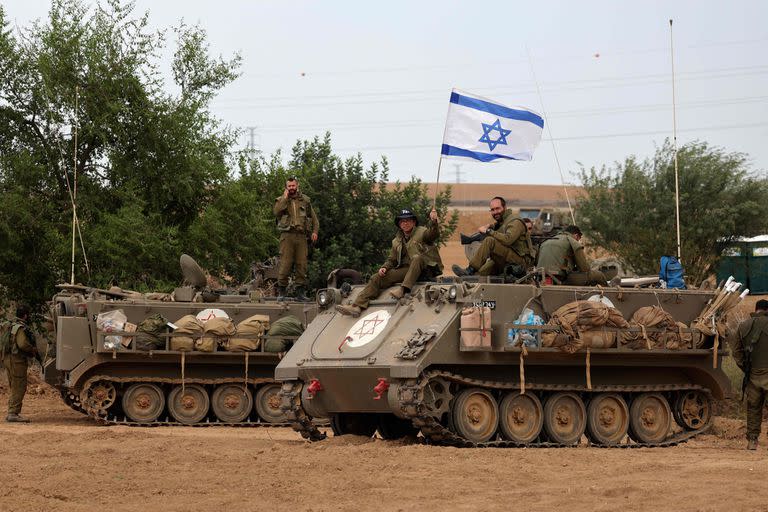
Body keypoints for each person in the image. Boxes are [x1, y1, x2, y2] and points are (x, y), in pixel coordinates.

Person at [336, 208, 443, 317]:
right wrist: (385, 268)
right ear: (399, 224)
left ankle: (403, 289)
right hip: (408, 270)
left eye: (408, 220)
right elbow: (392, 259)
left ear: (413, 222)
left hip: (425, 269)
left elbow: (433, 234)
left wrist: (433, 221)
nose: (405, 223)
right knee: (377, 277)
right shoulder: (396, 241)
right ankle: (357, 306)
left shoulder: (422, 232)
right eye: (402, 221)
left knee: (417, 258)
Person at [452, 196, 534, 276]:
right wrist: (491, 227)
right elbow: (501, 228)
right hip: (507, 258)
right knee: (479, 275)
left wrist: (488, 231)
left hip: (521, 262)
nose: (495, 212)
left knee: (489, 241)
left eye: (498, 208)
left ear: (505, 207)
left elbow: (508, 240)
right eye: (492, 210)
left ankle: (470, 269)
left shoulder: (515, 221)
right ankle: (470, 275)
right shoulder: (502, 222)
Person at [273, 177, 319, 301]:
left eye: (293, 186)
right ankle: (281, 292)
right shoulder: (281, 200)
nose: (292, 188)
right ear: (286, 187)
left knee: (301, 264)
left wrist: (315, 231)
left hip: (301, 236)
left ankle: (300, 293)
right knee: (285, 264)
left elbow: (314, 218)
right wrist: (285, 198)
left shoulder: (305, 200)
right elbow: (276, 212)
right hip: (287, 236)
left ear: (297, 185)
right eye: (289, 186)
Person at [731, 299, 768, 450]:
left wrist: (746, 368)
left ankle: (752, 441)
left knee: (753, 408)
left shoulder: (743, 326)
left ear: (756, 309)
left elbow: (736, 352)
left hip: (752, 375)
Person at [536, 225, 607, 286]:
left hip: (540, 277)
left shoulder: (546, 242)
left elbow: (536, 262)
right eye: (578, 239)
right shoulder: (572, 241)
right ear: (576, 236)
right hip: (561, 278)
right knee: (599, 275)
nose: (578, 241)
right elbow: (584, 269)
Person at [2, 305, 37, 423]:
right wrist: (32, 349)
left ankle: (11, 411)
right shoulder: (20, 328)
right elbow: (22, 344)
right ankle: (13, 413)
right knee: (19, 386)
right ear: (26, 315)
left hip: (7, 359)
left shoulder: (10, 324)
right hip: (17, 360)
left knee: (14, 385)